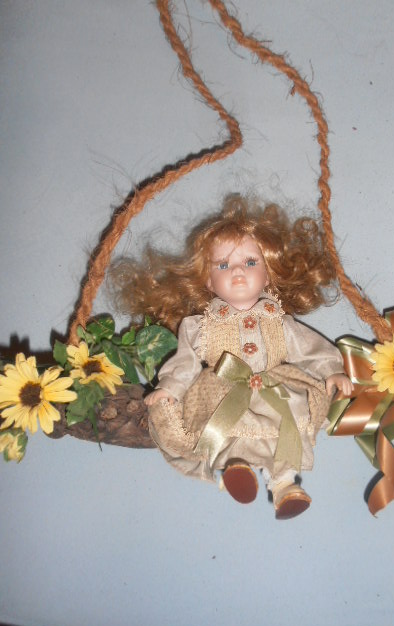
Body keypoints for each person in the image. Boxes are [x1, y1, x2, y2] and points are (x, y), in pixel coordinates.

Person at [110, 195, 353, 519]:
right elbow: (184, 363)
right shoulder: (201, 326)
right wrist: (170, 387)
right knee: (223, 426)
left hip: (273, 386)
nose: (237, 271)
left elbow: (311, 348)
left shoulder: (278, 321)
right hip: (221, 388)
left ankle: (283, 484)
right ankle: (235, 470)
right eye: (223, 265)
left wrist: (332, 370)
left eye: (250, 262)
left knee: (286, 427)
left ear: (267, 274)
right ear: (209, 281)